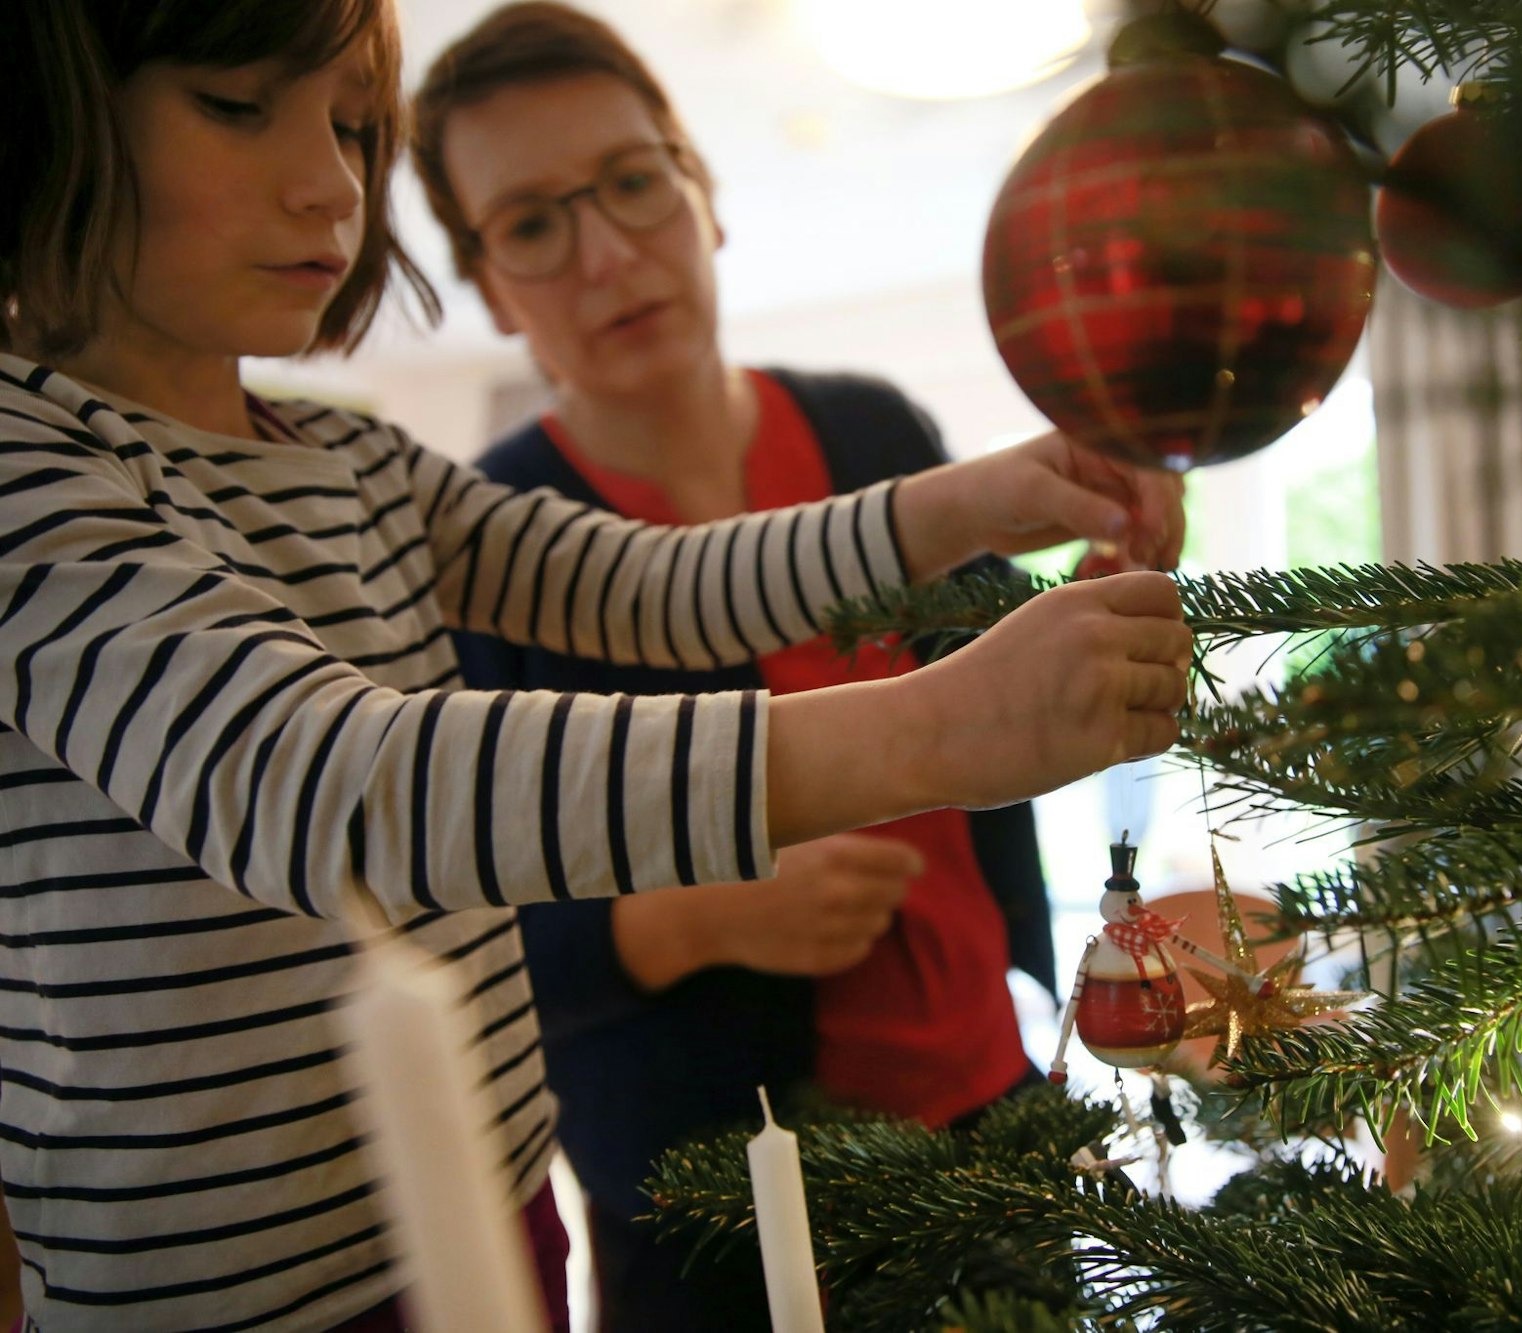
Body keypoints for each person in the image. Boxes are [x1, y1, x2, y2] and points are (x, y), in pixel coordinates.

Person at [0, 2, 1194, 1329]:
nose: (330, 184)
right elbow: (331, 783)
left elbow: (651, 585)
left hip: (491, 1198)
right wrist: (930, 730)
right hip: (225, 1294)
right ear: (47, 109)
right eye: (237, 105)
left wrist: (979, 498)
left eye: (350, 128)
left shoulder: (353, 461)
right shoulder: (29, 470)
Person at [405, 8, 1187, 1328]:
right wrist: (690, 915)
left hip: (999, 1113)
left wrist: (1094, 619)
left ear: (701, 193)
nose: (605, 254)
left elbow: (995, 683)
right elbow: (443, 930)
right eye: (534, 224)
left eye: (633, 182)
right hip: (713, 1200)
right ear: (489, 285)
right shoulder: (478, 542)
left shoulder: (873, 430)